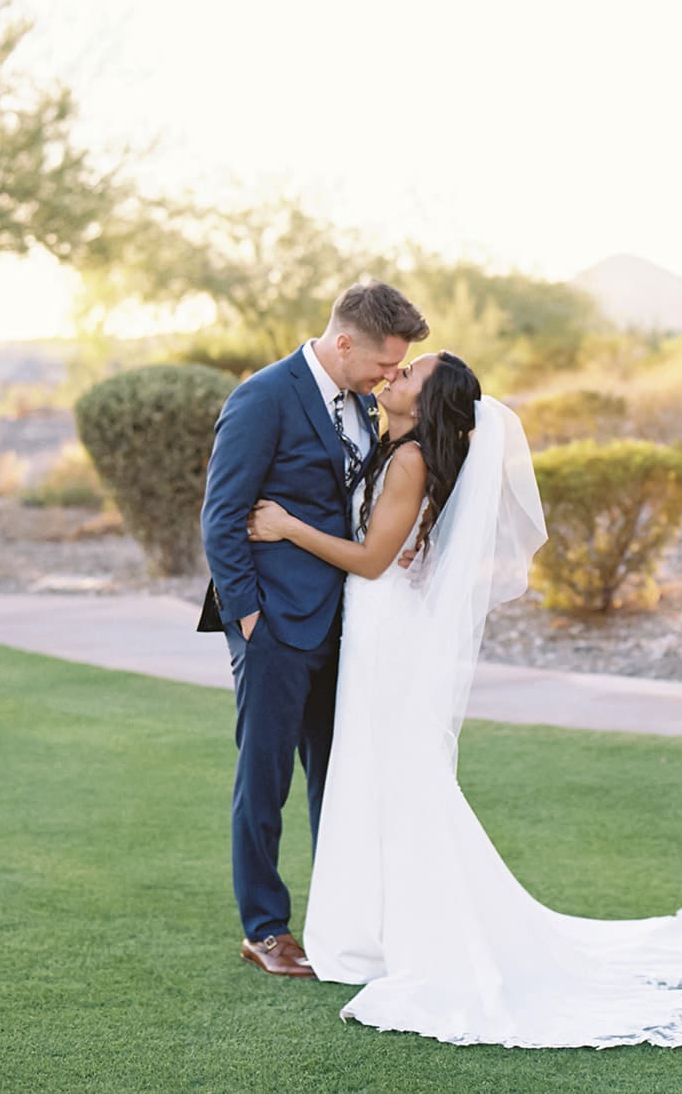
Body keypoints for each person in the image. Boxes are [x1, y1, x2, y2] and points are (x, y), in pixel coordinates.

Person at [245, 351, 682, 1047]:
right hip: (375, 628)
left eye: (407, 376)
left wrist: (286, 528)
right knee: (375, 778)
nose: (391, 379)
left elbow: (371, 559)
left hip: (384, 631)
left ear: (428, 406)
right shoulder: (393, 445)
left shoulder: (410, 461)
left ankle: (409, 933)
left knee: (397, 781)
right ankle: (372, 927)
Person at [199, 280, 429, 978]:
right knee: (263, 779)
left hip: (346, 626)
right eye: (385, 363)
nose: (391, 376)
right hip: (273, 624)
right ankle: (264, 927)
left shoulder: (363, 406)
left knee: (338, 777)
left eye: (399, 369)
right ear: (344, 341)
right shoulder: (264, 396)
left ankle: (339, 917)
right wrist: (248, 618)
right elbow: (221, 515)